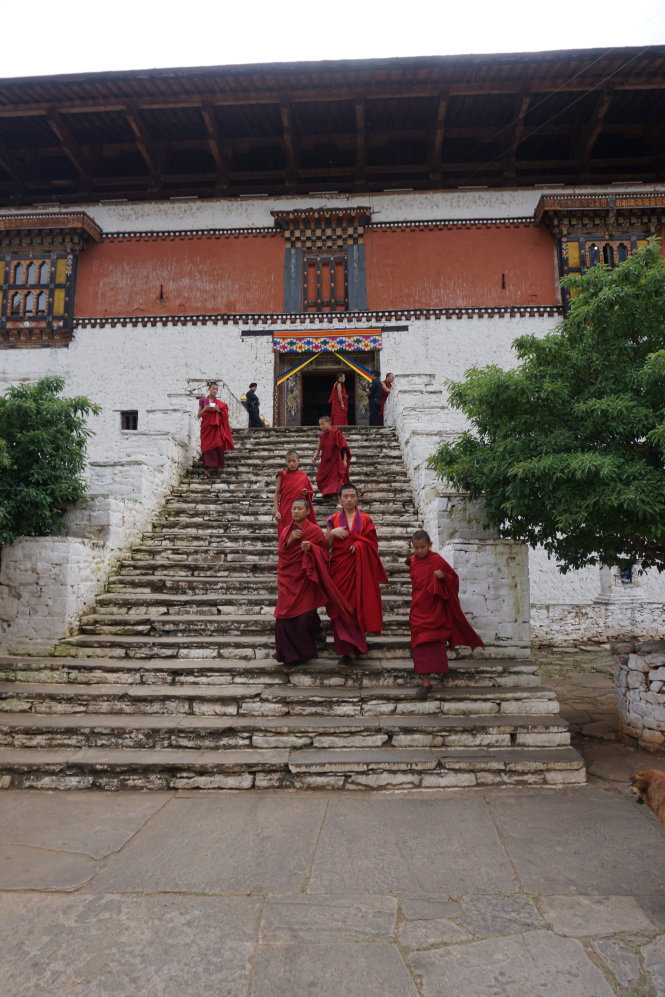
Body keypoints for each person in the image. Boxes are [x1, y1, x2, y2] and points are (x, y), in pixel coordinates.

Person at [274, 498, 353, 666]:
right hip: (289, 580)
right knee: (283, 617)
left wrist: (312, 547)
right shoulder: (286, 531)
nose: (295, 511)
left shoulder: (315, 531)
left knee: (305, 616)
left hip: (306, 579)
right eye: (293, 508)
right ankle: (289, 656)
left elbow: (325, 553)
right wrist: (290, 541)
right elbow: (282, 554)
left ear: (308, 511)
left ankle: (307, 648)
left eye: (299, 508)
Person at [408, 529, 484, 699]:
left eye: (422, 547)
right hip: (418, 608)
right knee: (419, 644)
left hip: (434, 610)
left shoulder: (437, 561)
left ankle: (431, 676)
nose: (419, 550)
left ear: (430, 545)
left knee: (433, 642)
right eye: (416, 547)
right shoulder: (413, 561)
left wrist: (444, 577)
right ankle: (425, 681)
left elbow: (454, 579)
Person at [326, 482, 388, 667]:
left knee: (357, 606)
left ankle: (358, 644)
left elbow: (372, 545)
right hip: (339, 570)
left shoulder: (366, 519)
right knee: (340, 609)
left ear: (357, 497)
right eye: (345, 496)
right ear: (339, 499)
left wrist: (360, 546)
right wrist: (332, 533)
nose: (349, 499)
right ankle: (345, 652)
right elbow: (326, 546)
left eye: (353, 496)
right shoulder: (333, 520)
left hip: (359, 571)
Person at [196, 382, 234, 478]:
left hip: (216, 428)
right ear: (209, 389)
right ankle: (206, 469)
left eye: (217, 389)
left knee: (218, 445)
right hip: (206, 427)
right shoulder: (202, 401)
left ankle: (219, 467)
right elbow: (198, 415)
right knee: (205, 447)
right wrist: (205, 409)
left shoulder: (220, 404)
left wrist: (218, 410)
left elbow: (225, 415)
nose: (215, 391)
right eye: (213, 388)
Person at [274, 449, 317, 531]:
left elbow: (310, 492)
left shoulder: (303, 476)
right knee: (285, 533)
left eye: (294, 461)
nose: (291, 464)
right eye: (289, 461)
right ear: (286, 462)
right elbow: (276, 494)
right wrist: (276, 511)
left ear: (298, 461)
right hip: (285, 510)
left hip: (299, 510)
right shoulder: (282, 475)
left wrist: (306, 493)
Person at [312, 415, 351, 498]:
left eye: (323, 424)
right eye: (320, 424)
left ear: (329, 423)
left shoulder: (336, 433)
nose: (321, 426)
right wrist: (314, 456)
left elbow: (343, 447)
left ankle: (339, 500)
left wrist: (344, 460)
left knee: (337, 480)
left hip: (336, 461)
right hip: (325, 462)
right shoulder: (321, 436)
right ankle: (328, 493)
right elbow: (318, 449)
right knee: (320, 478)